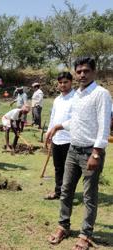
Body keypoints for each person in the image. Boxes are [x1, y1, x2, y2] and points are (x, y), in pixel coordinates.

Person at [46, 57, 112, 250]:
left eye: (86, 71)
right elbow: (75, 121)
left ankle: (85, 234)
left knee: (89, 196)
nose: (82, 74)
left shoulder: (101, 94)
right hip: (73, 150)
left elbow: (104, 126)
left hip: (91, 152)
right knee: (66, 190)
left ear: (94, 72)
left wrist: (97, 153)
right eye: (79, 71)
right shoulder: (77, 94)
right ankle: (63, 226)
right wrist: (59, 126)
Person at [44, 72, 75, 200]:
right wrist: (49, 132)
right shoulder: (57, 100)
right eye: (60, 82)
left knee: (70, 170)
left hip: (70, 139)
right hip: (57, 139)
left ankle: (68, 194)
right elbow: (53, 118)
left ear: (71, 82)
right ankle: (58, 192)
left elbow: (76, 120)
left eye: (65, 82)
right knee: (58, 167)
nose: (63, 85)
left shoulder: (76, 98)